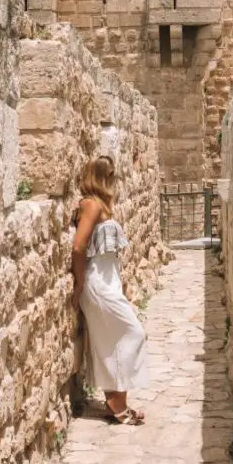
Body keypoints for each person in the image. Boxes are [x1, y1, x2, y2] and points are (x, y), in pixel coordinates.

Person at [71, 155, 147, 425]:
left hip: (108, 282)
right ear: (100, 177)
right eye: (109, 176)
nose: (112, 181)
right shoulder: (91, 204)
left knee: (112, 339)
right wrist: (80, 284)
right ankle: (116, 402)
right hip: (97, 284)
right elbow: (79, 247)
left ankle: (117, 401)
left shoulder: (99, 204)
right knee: (132, 333)